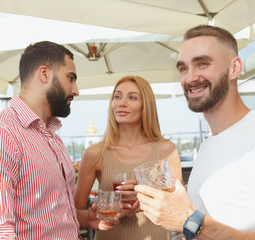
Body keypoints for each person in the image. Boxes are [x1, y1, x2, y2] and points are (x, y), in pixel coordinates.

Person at [135, 25, 255, 239]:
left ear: (234, 68)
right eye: (183, 68)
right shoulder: (210, 143)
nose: (190, 78)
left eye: (202, 63)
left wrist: (189, 221)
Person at [0, 41, 116, 239]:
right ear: (44, 74)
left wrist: (85, 219)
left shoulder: (51, 135)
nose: (76, 90)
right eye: (70, 78)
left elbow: (46, 214)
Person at [74, 75, 183, 240]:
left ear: (146, 105)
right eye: (117, 96)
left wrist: (145, 202)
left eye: (132, 97)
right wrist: (108, 206)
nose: (121, 102)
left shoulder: (166, 150)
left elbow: (179, 208)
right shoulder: (94, 153)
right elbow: (74, 213)